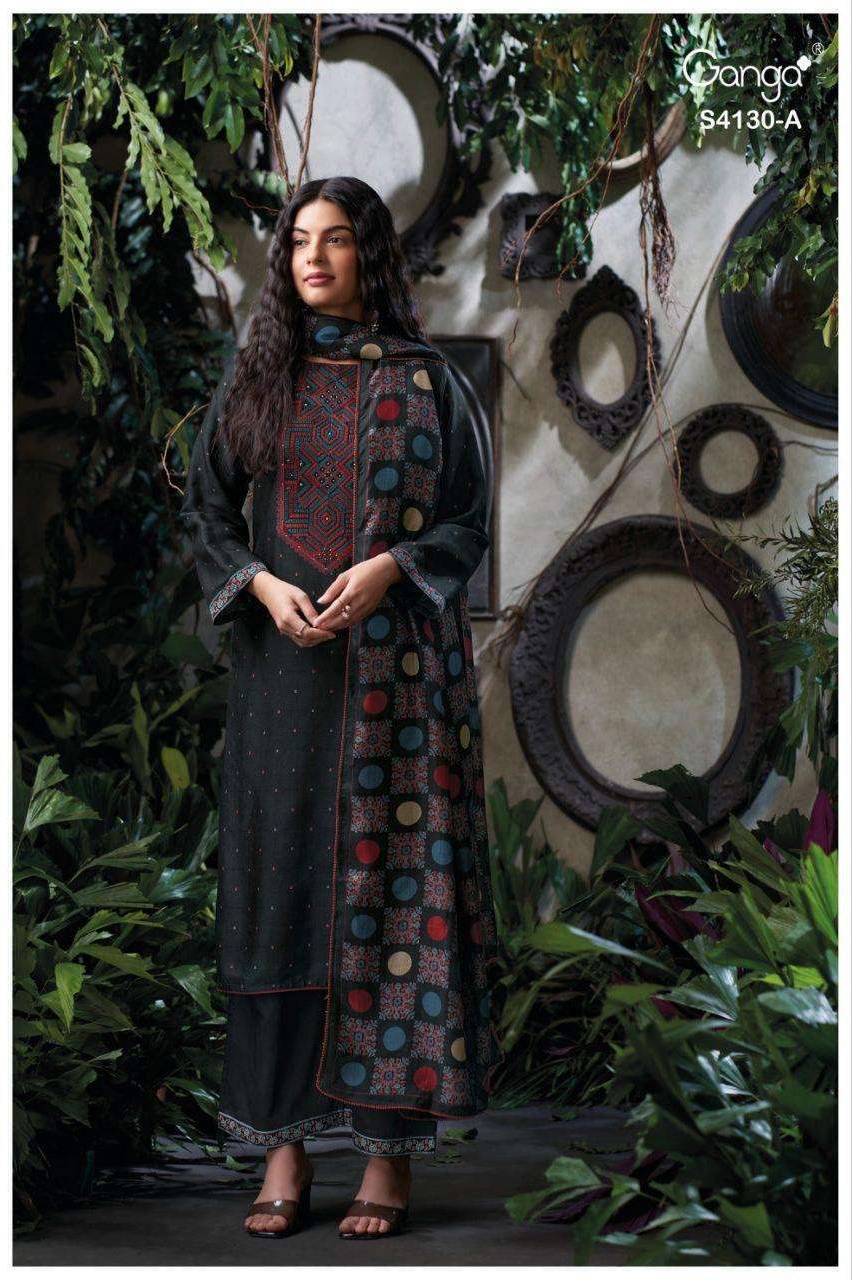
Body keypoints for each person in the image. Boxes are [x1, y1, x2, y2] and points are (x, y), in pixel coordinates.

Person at [180, 175, 500, 1240]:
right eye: (298, 241)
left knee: (397, 892)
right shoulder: (259, 378)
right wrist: (262, 586)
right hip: (283, 676)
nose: (312, 257)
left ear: (371, 252)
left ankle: (384, 1160)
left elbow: (466, 520)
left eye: (335, 239)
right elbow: (208, 511)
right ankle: (281, 1152)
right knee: (278, 887)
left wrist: (390, 568)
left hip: (398, 685)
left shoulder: (428, 379)